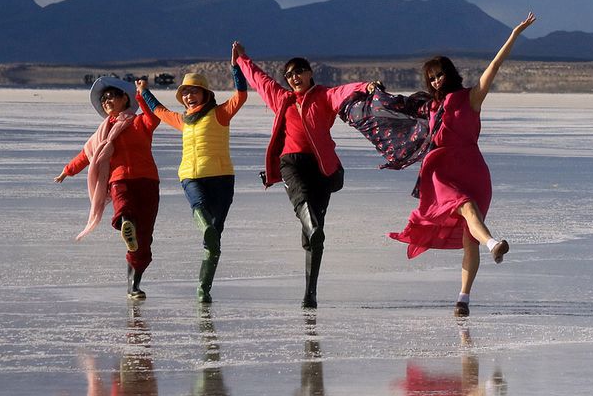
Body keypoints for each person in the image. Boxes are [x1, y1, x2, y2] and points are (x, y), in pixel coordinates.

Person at [389, 13, 535, 317]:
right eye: (431, 78)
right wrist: (372, 91)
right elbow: (396, 107)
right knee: (466, 207)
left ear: (450, 74)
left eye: (439, 75)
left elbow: (495, 66)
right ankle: (494, 244)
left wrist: (514, 35)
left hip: (473, 169)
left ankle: (463, 299)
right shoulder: (429, 106)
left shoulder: (471, 98)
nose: (436, 81)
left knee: (470, 238)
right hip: (442, 171)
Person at [231, 42, 376, 308]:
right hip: (291, 162)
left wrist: (365, 86)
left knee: (313, 236)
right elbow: (260, 80)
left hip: (321, 166)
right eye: (289, 75)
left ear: (309, 73)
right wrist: (242, 60)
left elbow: (344, 92)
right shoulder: (282, 98)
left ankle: (310, 292)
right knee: (303, 202)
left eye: (298, 71)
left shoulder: (324, 96)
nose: (294, 77)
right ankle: (313, 228)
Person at [135, 53, 248, 303]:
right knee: (199, 208)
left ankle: (203, 289)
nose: (189, 96)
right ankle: (205, 227)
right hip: (190, 176)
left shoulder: (220, 113)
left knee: (214, 241)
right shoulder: (183, 120)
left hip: (221, 177)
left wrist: (235, 66)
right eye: (185, 93)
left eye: (194, 91)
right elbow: (159, 111)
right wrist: (143, 91)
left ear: (205, 94)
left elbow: (241, 95)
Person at [55, 76, 161, 299]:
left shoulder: (139, 123)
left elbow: (154, 116)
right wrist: (68, 170)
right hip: (119, 180)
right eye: (103, 100)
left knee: (143, 241)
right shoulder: (103, 133)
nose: (106, 101)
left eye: (111, 96)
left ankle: (133, 285)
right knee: (124, 207)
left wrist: (142, 94)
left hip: (148, 182)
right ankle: (126, 223)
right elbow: (86, 155)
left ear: (125, 99)